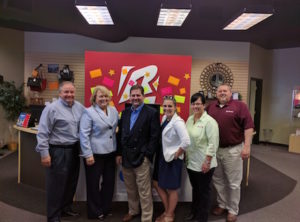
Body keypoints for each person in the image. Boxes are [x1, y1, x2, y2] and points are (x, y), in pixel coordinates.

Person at [36, 81, 84, 222]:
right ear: (60, 93)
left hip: (74, 149)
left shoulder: (79, 107)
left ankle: (65, 209)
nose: (69, 95)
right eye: (66, 92)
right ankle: (53, 216)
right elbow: (42, 133)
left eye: (72, 92)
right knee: (56, 185)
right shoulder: (52, 109)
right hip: (58, 151)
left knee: (71, 182)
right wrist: (44, 154)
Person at [206, 84, 254, 222]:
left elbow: (249, 127)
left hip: (233, 150)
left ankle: (233, 210)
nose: (222, 93)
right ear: (216, 94)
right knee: (218, 179)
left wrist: (247, 146)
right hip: (215, 150)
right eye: (219, 91)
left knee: (233, 183)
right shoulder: (211, 107)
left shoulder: (240, 106)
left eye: (225, 91)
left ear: (230, 93)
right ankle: (222, 204)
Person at [116, 84, 160, 222]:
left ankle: (146, 217)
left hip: (142, 157)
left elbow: (154, 137)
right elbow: (121, 133)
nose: (135, 98)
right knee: (130, 187)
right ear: (130, 97)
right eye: (133, 95)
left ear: (143, 96)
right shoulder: (126, 112)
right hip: (126, 156)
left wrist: (147, 155)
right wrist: (119, 153)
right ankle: (133, 210)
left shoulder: (151, 112)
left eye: (138, 95)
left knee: (144, 190)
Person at [79, 85, 119, 220]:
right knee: (93, 184)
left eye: (106, 96)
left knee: (109, 183)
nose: (104, 98)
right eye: (101, 96)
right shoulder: (88, 112)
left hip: (111, 152)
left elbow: (114, 128)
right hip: (95, 154)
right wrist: (87, 154)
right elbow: (83, 135)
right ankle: (94, 211)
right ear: (94, 98)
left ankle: (105, 208)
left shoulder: (113, 110)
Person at [153, 95, 190, 222]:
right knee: (156, 183)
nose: (167, 108)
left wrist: (177, 154)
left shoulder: (178, 122)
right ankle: (168, 210)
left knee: (171, 188)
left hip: (172, 159)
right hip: (163, 157)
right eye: (165, 106)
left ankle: (169, 216)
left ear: (175, 107)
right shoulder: (165, 118)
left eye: (170, 106)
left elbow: (186, 141)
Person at [185, 92, 219, 222]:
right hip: (191, 162)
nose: (195, 106)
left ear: (204, 105)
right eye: (193, 103)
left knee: (204, 191)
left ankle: (202, 217)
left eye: (198, 103)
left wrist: (207, 161)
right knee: (195, 189)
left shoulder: (210, 122)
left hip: (204, 163)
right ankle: (194, 212)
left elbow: (213, 144)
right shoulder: (190, 119)